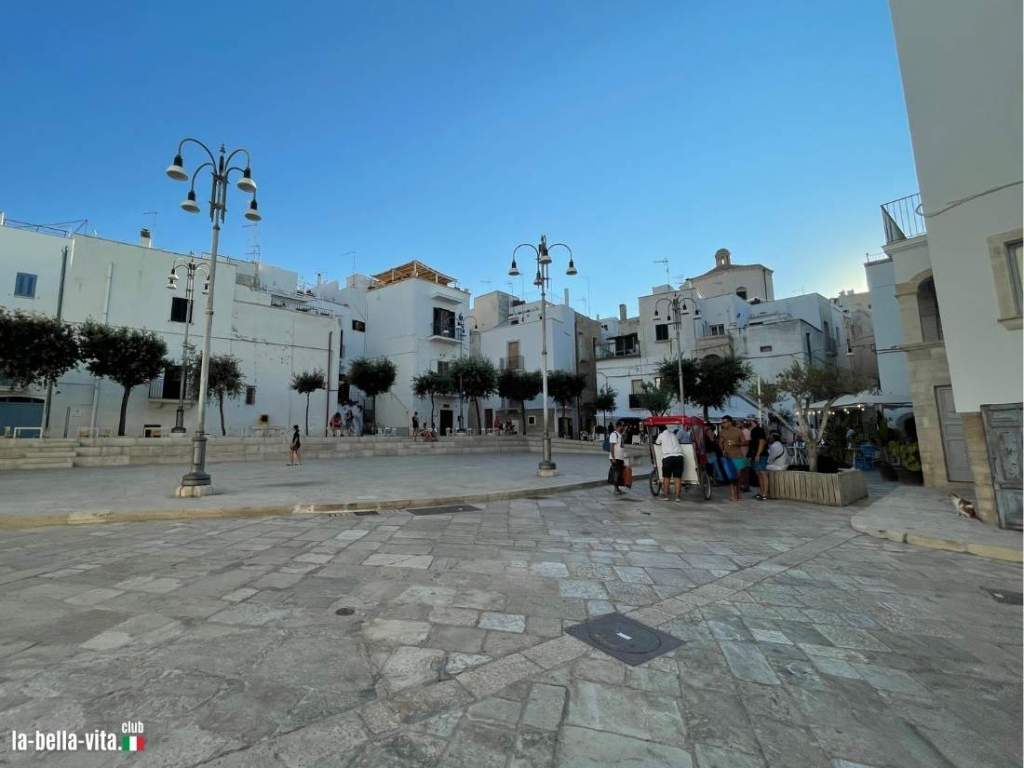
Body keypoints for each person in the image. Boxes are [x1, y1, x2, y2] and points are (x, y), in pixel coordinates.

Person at [718, 415, 747, 502]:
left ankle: (738, 494)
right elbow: (720, 443)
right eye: (722, 422)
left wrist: (736, 444)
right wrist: (722, 449)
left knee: (738, 476)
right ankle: (733, 495)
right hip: (728, 457)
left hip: (738, 456)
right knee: (731, 476)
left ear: (730, 422)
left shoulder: (738, 431)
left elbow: (745, 442)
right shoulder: (722, 432)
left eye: (724, 422)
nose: (723, 424)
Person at [655, 424, 684, 501]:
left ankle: (666, 496)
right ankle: (677, 497)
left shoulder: (661, 435)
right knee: (677, 478)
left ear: (660, 430)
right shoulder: (673, 434)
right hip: (679, 457)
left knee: (666, 477)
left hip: (668, 457)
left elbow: (657, 443)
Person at [747, 420, 769, 501]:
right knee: (759, 474)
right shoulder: (753, 431)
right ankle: (762, 492)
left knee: (762, 473)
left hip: (760, 455)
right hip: (757, 455)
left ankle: (765, 493)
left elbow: (762, 442)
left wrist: (758, 454)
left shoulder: (758, 430)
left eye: (751, 422)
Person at [608, 421, 627, 495]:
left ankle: (618, 488)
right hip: (615, 457)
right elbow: (612, 446)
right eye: (622, 426)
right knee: (616, 472)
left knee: (619, 473)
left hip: (620, 457)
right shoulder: (614, 434)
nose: (623, 427)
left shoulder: (620, 435)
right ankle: (615, 489)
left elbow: (622, 443)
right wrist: (613, 457)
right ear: (618, 426)